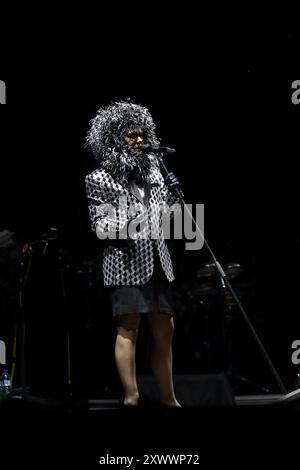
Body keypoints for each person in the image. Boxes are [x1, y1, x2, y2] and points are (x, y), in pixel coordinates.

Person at [85, 101, 181, 407]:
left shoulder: (155, 171)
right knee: (129, 327)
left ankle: (169, 398)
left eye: (141, 134)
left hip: (158, 260)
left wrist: (175, 203)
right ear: (115, 139)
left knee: (165, 328)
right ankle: (131, 397)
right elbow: (100, 225)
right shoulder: (98, 178)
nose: (139, 140)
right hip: (125, 262)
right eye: (130, 135)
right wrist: (134, 220)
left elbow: (166, 214)